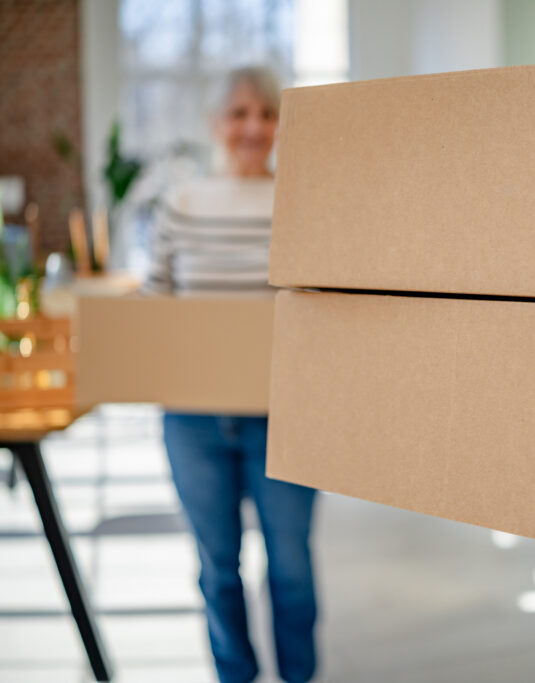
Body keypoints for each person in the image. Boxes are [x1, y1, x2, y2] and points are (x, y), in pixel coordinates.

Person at [144, 66, 319, 683]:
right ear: (216, 123)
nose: (254, 127)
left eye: (267, 114)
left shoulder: (302, 199)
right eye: (240, 113)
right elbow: (155, 306)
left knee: (291, 568)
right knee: (218, 566)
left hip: (285, 416)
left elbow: (322, 309)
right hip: (194, 419)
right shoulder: (182, 204)